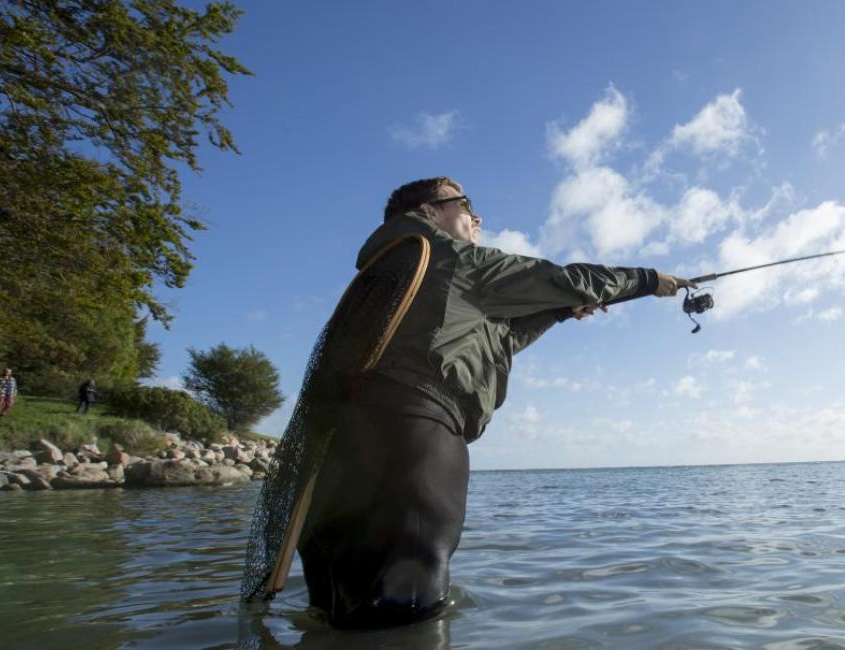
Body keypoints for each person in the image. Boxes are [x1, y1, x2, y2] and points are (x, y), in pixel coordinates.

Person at [297, 176, 694, 629]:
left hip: (332, 464)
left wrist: (559, 310)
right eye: (464, 203)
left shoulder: (391, 269)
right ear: (429, 212)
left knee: (338, 614)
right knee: (409, 615)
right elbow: (571, 280)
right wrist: (648, 281)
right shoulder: (452, 257)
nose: (477, 216)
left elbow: (489, 339)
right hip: (413, 441)